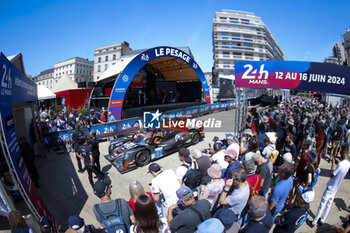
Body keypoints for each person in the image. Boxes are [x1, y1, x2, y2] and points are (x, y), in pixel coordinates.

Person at [311, 143, 350, 227]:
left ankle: (315, 221)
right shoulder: (347, 164)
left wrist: (332, 164)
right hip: (336, 187)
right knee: (328, 204)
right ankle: (323, 219)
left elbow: (332, 175)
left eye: (341, 150)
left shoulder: (341, 164)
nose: (340, 151)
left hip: (331, 186)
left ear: (344, 151)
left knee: (322, 204)